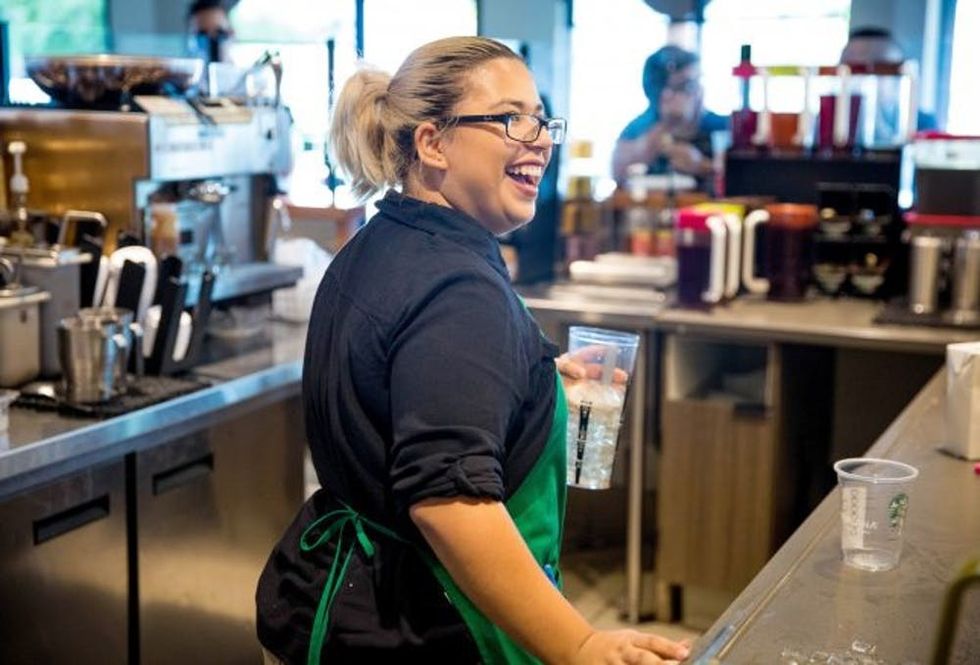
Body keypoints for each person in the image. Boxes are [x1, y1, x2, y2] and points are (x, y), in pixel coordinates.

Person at [255, 36, 691, 665]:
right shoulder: (458, 289)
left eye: (542, 120)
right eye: (512, 118)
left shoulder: (381, 243)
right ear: (433, 143)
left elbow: (402, 392)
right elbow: (450, 503)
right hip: (419, 626)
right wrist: (583, 643)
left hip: (338, 598)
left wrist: (535, 387)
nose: (539, 138)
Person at [611, 45, 727, 189]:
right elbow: (617, 175)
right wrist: (666, 125)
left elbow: (743, 179)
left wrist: (701, 166)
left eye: (698, 82)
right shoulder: (638, 129)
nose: (698, 92)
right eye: (687, 86)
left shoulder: (723, 128)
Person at [840, 26, 938, 134]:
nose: (866, 80)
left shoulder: (923, 125)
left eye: (881, 68)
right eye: (855, 69)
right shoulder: (824, 126)